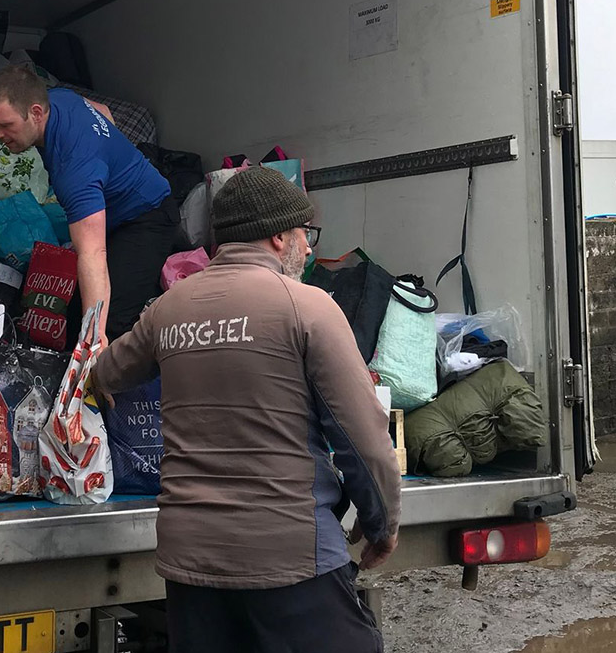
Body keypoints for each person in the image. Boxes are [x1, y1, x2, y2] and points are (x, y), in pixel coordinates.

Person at [92, 167, 402, 653]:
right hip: (288, 555)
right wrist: (381, 524)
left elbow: (106, 372)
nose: (308, 245)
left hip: (189, 563)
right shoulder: (307, 307)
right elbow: (363, 440)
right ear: (279, 236)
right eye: (305, 233)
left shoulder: (170, 308)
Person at [0, 66, 178, 344]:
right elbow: (103, 111)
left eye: (6, 125)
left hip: (148, 216)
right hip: (116, 213)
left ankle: (110, 381)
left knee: (108, 326)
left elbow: (93, 253)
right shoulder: (60, 98)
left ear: (36, 113)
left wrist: (94, 337)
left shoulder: (74, 170)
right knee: (73, 312)